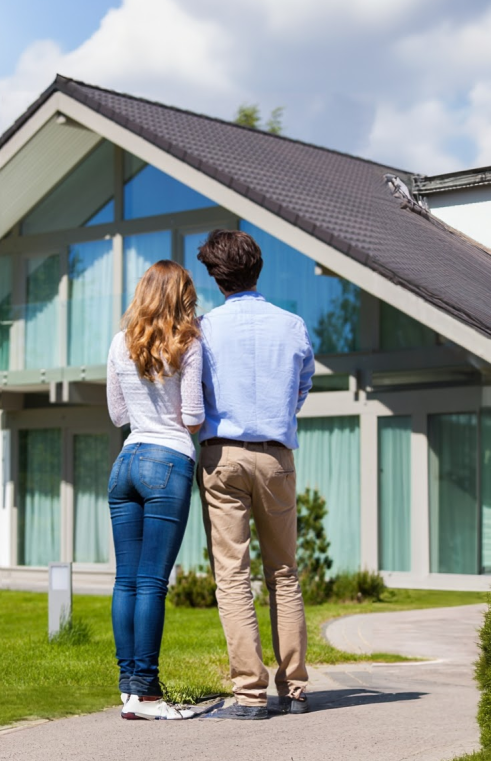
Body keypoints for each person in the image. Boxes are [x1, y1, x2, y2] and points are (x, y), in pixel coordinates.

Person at [195, 229, 315, 720]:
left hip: (222, 456)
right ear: (256, 268)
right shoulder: (293, 325)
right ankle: (295, 692)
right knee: (284, 574)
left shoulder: (202, 329)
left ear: (216, 277)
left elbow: (192, 393)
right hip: (275, 456)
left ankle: (249, 695)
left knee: (233, 576)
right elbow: (301, 389)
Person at [106, 260, 204, 721]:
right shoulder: (189, 343)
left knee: (126, 580)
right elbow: (193, 417)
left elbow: (116, 414)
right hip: (168, 460)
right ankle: (146, 695)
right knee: (151, 583)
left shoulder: (119, 344)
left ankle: (129, 687)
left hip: (125, 462)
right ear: (180, 296)